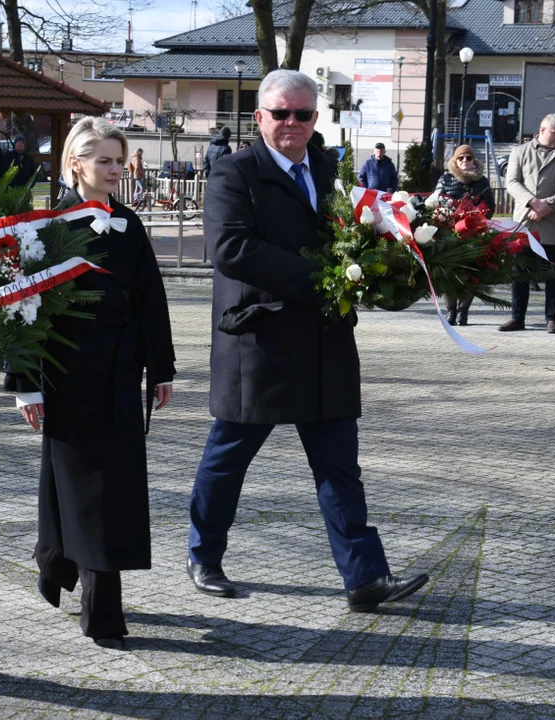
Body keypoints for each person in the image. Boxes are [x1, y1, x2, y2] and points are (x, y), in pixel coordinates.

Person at [186, 69, 428, 612]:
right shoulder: (233, 173)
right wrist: (320, 276)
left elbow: (356, 232)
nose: (291, 123)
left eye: (301, 115)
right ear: (258, 118)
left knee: (340, 466)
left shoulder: (327, 167)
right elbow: (230, 249)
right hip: (260, 343)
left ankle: (365, 579)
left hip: (324, 342)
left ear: (315, 119)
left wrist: (388, 258)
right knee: (228, 459)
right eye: (280, 114)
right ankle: (204, 555)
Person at [7, 117, 176, 649]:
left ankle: (55, 559)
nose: (113, 169)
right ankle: (102, 610)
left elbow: (151, 298)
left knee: (113, 483)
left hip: (122, 370)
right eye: (102, 159)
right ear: (75, 163)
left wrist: (162, 368)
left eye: (117, 159)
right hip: (65, 371)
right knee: (83, 481)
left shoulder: (129, 221)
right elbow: (23, 308)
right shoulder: (47, 225)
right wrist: (25, 383)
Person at [501, 113, 555, 333]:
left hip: (551, 222)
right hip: (525, 220)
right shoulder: (520, 151)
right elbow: (512, 182)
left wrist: (545, 207)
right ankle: (517, 317)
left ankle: (552, 318)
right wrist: (533, 202)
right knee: (520, 271)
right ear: (542, 130)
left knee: (552, 272)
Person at [434, 144, 494, 326]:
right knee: (448, 272)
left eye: (468, 158)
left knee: (472, 272)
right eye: (461, 158)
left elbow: (490, 206)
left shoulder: (481, 181)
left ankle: (463, 312)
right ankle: (451, 311)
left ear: (473, 161)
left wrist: (477, 217)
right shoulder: (445, 179)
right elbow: (434, 202)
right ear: (455, 160)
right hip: (449, 233)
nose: (465, 161)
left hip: (474, 234)